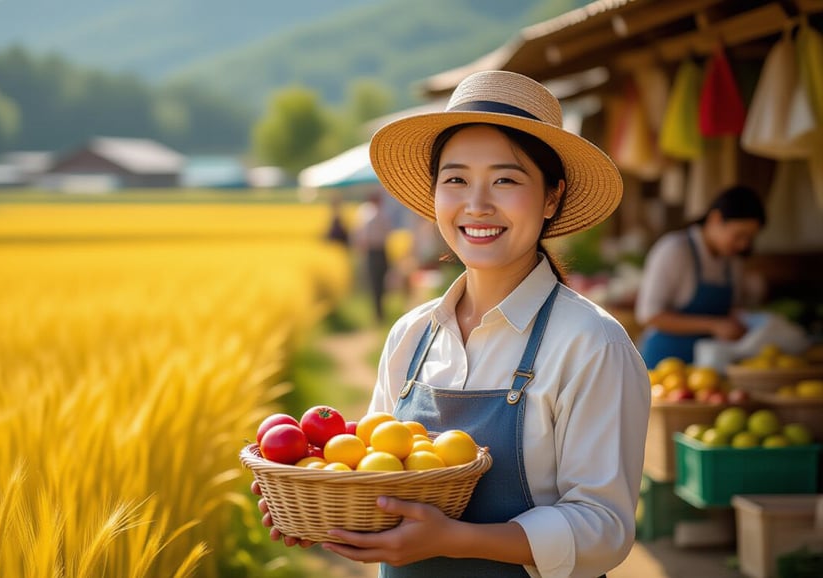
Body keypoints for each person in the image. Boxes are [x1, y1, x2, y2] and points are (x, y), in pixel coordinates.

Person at [253, 70, 651, 577]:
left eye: (505, 179)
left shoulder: (591, 344)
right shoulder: (411, 335)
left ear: (552, 197)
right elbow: (376, 479)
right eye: (456, 179)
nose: (476, 204)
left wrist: (458, 541)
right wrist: (318, 507)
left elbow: (604, 529)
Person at [636, 185, 767, 368]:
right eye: (739, 236)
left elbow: (733, 308)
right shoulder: (675, 250)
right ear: (715, 219)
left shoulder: (733, 262)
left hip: (711, 364)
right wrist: (714, 325)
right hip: (665, 361)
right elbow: (649, 315)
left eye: (749, 239)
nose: (743, 245)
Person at [354, 189, 393, 324]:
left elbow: (361, 236)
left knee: (377, 282)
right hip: (378, 251)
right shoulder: (375, 214)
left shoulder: (368, 214)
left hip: (376, 251)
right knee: (378, 283)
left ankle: (379, 312)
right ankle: (379, 313)